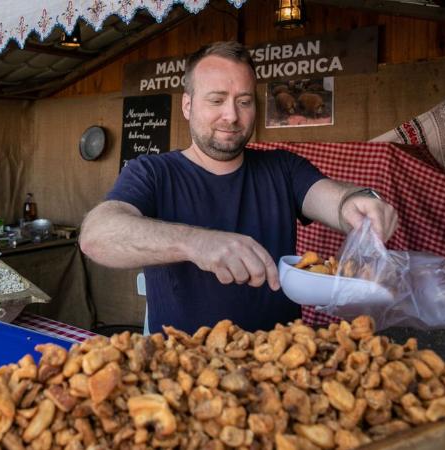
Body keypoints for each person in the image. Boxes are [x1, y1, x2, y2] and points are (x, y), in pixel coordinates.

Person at [79, 41, 398, 334]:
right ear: (187, 106)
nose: (232, 115)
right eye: (217, 100)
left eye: (244, 102)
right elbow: (96, 236)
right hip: (183, 375)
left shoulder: (283, 168)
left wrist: (356, 202)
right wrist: (196, 243)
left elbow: (334, 200)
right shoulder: (152, 172)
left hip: (282, 367)